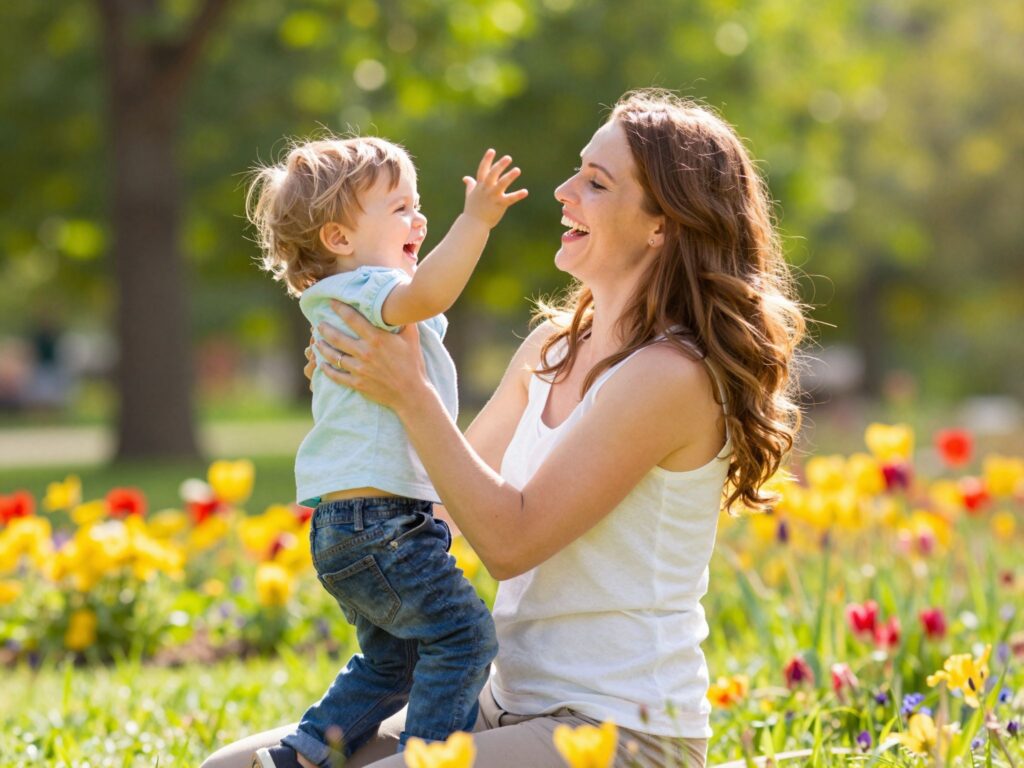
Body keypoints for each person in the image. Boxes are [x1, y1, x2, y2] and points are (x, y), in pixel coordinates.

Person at [206, 88, 805, 768]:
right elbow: (442, 504)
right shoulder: (551, 348)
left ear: (661, 225)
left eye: (595, 182)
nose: (562, 189)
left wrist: (407, 391)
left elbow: (509, 541)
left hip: (621, 731)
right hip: (505, 701)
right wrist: (360, 399)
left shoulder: (669, 376)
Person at [244, 136, 528, 768]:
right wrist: (475, 220)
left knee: (392, 662)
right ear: (340, 238)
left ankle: (304, 753)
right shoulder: (367, 288)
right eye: (400, 208)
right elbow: (429, 294)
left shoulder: (344, 299)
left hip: (351, 528)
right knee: (461, 637)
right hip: (384, 526)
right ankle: (427, 759)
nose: (419, 220)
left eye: (419, 205)